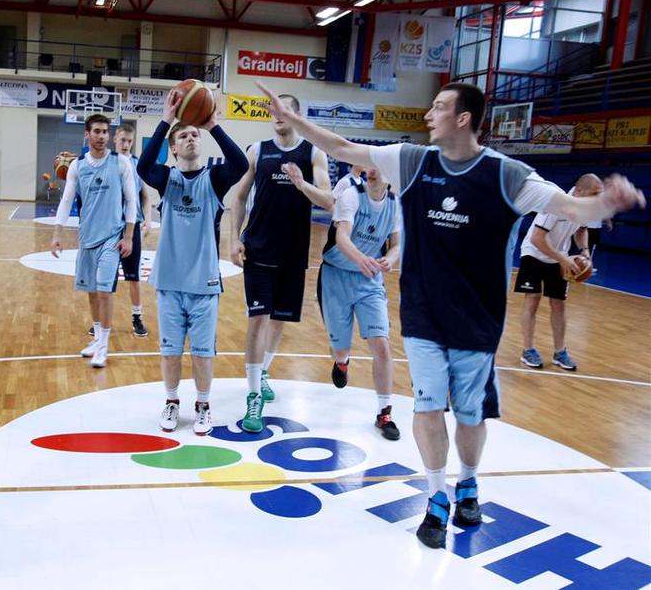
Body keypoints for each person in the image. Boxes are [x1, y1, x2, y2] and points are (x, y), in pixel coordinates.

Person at [257, 80, 645, 550]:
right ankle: (436, 495)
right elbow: (342, 147)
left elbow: (569, 206)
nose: (428, 114)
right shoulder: (411, 161)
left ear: (463, 118)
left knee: (469, 414)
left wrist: (607, 202)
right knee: (425, 405)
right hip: (422, 313)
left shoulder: (508, 175)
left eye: (438, 107)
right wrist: (292, 119)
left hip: (477, 319)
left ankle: (469, 482)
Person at [138, 90, 248, 435]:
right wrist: (166, 120)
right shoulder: (165, 179)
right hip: (169, 282)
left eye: (194, 135)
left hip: (203, 283)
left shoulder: (214, 179)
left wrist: (212, 125)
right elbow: (143, 167)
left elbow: (241, 165)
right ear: (173, 148)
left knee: (202, 354)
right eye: (183, 136)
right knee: (170, 353)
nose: (190, 139)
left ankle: (203, 406)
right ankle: (172, 402)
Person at [228, 94, 330, 433]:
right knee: (258, 319)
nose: (277, 115)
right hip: (258, 249)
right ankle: (254, 396)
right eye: (273, 110)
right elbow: (239, 196)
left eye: (284, 110)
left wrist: (302, 184)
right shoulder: (258, 151)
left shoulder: (313, 153)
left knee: (278, 321)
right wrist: (234, 237)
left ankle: (264, 370)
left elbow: (329, 200)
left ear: (297, 115)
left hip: (293, 252)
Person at [319, 165, 402, 440]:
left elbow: (397, 244)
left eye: (381, 165)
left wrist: (389, 259)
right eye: (371, 165)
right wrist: (361, 259)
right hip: (337, 275)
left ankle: (384, 413)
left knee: (382, 345)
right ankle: (342, 361)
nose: (374, 170)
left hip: (370, 282)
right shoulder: (352, 195)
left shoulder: (395, 205)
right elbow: (341, 236)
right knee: (340, 347)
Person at [51, 115, 137, 368]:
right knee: (91, 292)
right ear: (86, 135)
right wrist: (56, 234)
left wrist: (128, 236)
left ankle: (104, 346)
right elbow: (66, 201)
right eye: (97, 131)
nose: (101, 136)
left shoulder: (120, 162)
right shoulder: (77, 166)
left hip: (112, 237)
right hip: (87, 238)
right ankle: (97, 338)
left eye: (105, 132)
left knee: (104, 291)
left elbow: (131, 200)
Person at [515, 174, 602, 371]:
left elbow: (581, 230)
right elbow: (537, 238)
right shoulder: (556, 203)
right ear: (579, 191)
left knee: (559, 304)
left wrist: (584, 250)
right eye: (594, 193)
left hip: (559, 256)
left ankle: (560, 352)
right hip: (533, 252)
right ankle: (527, 349)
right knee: (533, 299)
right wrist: (563, 259)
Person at [114, 124, 153, 338]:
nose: (126, 144)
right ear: (115, 139)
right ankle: (100, 320)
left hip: (132, 226)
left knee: (133, 276)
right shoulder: (108, 162)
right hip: (110, 227)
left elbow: (145, 197)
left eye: (129, 141)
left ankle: (137, 317)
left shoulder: (137, 165)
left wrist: (148, 220)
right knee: (106, 277)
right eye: (122, 140)